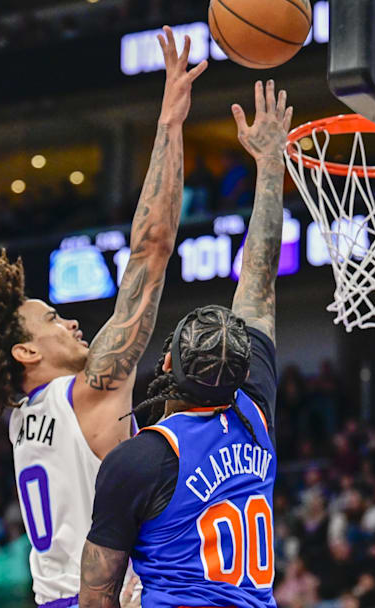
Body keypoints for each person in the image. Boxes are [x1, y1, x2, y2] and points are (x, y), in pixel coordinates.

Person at [0, 26, 206, 607]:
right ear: (24, 353)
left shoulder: (20, 419)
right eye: (51, 318)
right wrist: (169, 125)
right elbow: (149, 251)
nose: (72, 323)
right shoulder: (89, 393)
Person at [78, 79, 292, 608]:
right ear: (245, 373)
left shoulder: (140, 459)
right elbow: (259, 281)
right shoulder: (254, 413)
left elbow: (97, 592)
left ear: (168, 362)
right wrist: (270, 165)